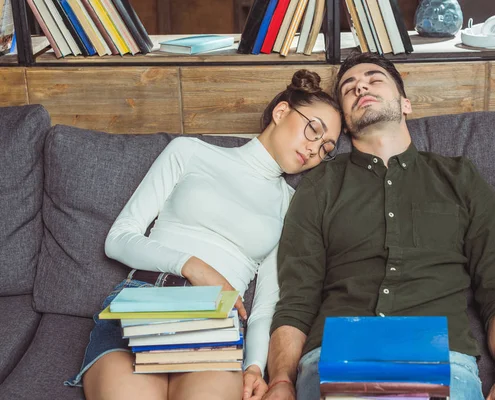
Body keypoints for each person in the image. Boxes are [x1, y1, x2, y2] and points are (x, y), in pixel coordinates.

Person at [264, 52, 495, 400]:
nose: (360, 85)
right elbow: (296, 301)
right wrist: (281, 382)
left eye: (374, 79)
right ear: (346, 123)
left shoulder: (459, 178)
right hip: (336, 360)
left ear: (405, 104)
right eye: (348, 87)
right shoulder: (320, 185)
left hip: (441, 363)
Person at [65, 69, 342, 400]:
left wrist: (254, 366)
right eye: (313, 130)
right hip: (145, 300)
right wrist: (193, 266)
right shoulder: (190, 152)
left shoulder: (292, 205)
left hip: (214, 319)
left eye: (326, 148)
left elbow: (268, 302)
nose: (314, 150)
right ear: (282, 112)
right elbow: (119, 238)